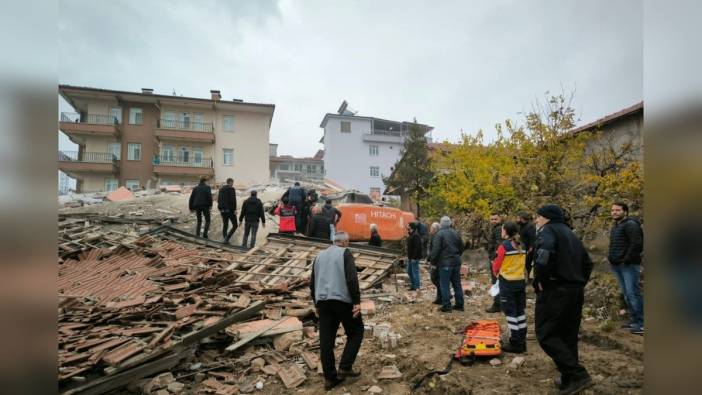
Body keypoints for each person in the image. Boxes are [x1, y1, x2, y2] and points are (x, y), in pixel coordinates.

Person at [533, 204, 594, 394]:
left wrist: (541, 280)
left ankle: (578, 375)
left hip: (556, 289)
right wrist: (578, 282)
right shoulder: (571, 233)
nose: (536, 220)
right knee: (567, 335)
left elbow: (543, 256)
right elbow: (588, 262)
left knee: (546, 334)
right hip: (574, 290)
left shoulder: (547, 231)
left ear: (546, 218)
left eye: (538, 217)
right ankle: (569, 379)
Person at [309, 232, 364, 390]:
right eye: (348, 242)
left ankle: (329, 378)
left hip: (323, 302)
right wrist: (357, 301)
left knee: (326, 340)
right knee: (356, 331)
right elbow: (352, 278)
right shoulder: (345, 254)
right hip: (341, 300)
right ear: (345, 242)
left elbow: (312, 283)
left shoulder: (319, 255)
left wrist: (316, 303)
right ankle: (345, 367)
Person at [608, 201, 644, 335]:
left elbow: (637, 244)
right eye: (612, 210)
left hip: (628, 265)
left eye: (617, 210)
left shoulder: (631, 225)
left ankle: (642, 323)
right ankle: (634, 321)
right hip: (617, 265)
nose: (614, 212)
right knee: (627, 294)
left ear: (625, 212)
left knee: (633, 293)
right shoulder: (616, 226)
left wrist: (626, 260)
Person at [492, 222, 528, 353]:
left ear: (506, 231)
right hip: (520, 281)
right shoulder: (522, 244)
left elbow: (496, 264)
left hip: (507, 282)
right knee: (520, 311)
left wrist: (496, 274)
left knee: (510, 312)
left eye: (502, 230)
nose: (501, 231)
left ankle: (515, 342)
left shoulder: (504, 246)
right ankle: (522, 340)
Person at [429, 216, 465, 312]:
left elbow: (436, 250)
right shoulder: (456, 233)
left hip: (445, 263)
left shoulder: (439, 234)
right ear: (450, 224)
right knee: (457, 284)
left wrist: (432, 261)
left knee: (444, 284)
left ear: (441, 224)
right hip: (456, 262)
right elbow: (461, 247)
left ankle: (446, 306)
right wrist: (456, 255)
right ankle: (460, 304)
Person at [485, 213, 503, 312]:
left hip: (495, 259)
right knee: (497, 282)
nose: (493, 221)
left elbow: (499, 245)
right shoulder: (497, 228)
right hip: (495, 258)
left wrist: (493, 258)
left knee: (496, 282)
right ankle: (499, 304)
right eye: (492, 219)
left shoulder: (498, 229)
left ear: (500, 219)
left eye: (495, 219)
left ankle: (497, 305)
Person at [516, 211, 537, 283]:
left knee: (527, 265)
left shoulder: (530, 226)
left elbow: (533, 240)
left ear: (522, 218)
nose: (516, 219)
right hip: (522, 249)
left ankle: (528, 280)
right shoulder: (521, 226)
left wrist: (529, 250)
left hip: (529, 250)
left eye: (518, 218)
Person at [217, 178, 237, 243]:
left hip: (222, 210)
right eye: (232, 182)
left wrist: (220, 208)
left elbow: (219, 199)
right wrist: (234, 209)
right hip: (230, 210)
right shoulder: (231, 189)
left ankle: (225, 239)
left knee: (225, 224)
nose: (233, 183)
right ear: (230, 182)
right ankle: (227, 238)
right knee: (235, 225)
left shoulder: (221, 189)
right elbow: (233, 200)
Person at [427, 222, 442, 304]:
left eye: (431, 228)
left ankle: (443, 295)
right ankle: (439, 297)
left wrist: (430, 259)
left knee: (434, 278)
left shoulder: (437, 237)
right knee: (436, 279)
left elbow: (435, 251)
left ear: (435, 229)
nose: (430, 230)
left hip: (436, 261)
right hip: (436, 261)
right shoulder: (434, 236)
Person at [406, 222, 423, 290]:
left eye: (408, 225)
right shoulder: (411, 234)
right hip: (410, 257)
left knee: (415, 272)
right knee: (409, 271)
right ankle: (413, 285)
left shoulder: (415, 235)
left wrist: (414, 257)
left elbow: (417, 247)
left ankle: (417, 286)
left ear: (411, 227)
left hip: (414, 258)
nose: (406, 226)